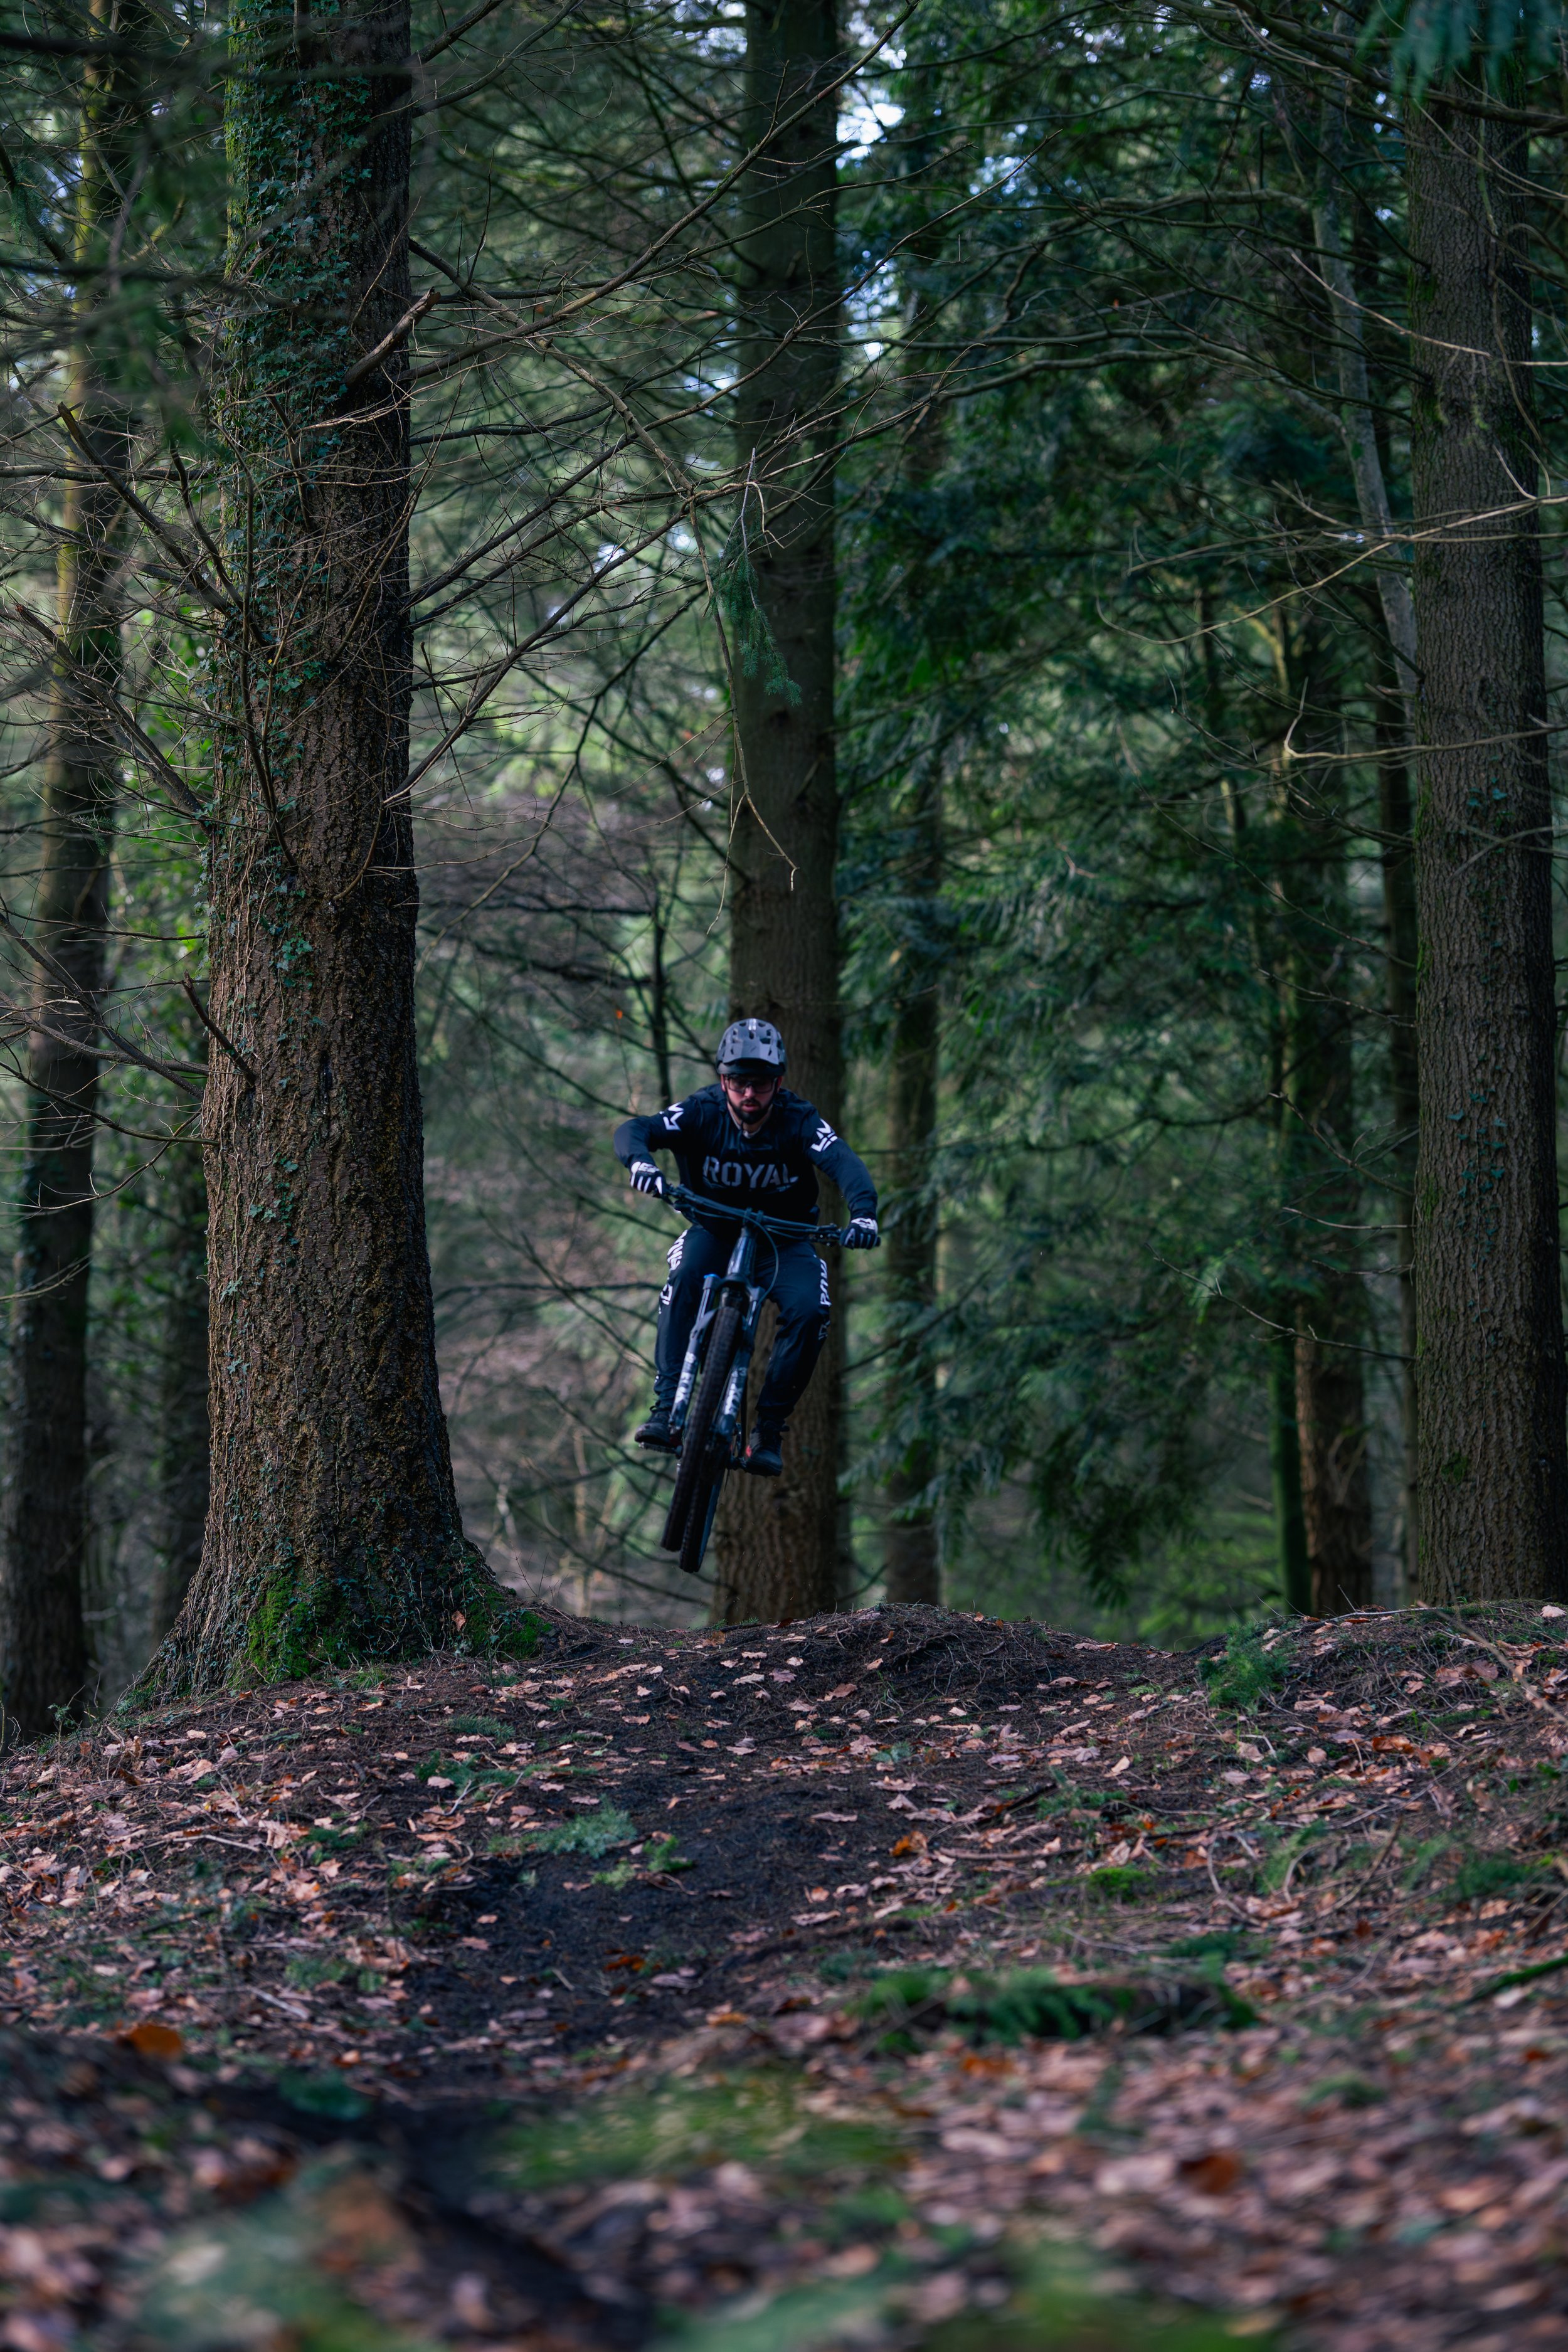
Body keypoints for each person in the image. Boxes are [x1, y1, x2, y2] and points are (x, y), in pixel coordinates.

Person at [613, 1018, 879, 1476]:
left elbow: (844, 1163)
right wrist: (641, 1164)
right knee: (681, 1282)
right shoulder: (700, 1112)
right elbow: (636, 1130)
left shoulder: (800, 1120)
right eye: (738, 1083)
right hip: (714, 1232)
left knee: (812, 1310)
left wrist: (864, 1214)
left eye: (759, 1084)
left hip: (785, 1240)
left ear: (778, 1083)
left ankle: (768, 1431)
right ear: (723, 1081)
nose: (748, 1095)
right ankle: (666, 1409)